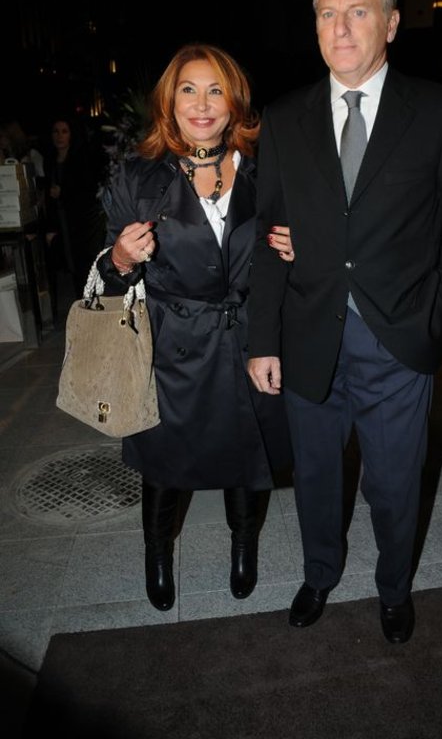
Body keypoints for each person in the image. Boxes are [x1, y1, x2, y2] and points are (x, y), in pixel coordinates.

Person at [247, 0, 442, 643]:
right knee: (317, 478)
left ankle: (393, 588)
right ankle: (319, 574)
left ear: (390, 23)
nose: (341, 28)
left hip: (398, 339)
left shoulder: (440, 114)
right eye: (328, 14)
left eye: (358, 12)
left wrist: (437, 310)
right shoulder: (284, 118)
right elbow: (268, 236)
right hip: (308, 336)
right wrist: (262, 340)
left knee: (394, 482)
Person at [96, 43, 293, 612]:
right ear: (170, 102)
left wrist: (297, 250)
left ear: (235, 103)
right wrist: (122, 259)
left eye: (215, 91)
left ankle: (243, 547)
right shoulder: (139, 177)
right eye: (189, 90)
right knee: (163, 461)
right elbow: (106, 274)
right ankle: (157, 553)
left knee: (247, 454)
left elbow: (288, 252)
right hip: (170, 346)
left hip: (250, 338)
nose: (202, 104)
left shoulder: (266, 171)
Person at [42, 115, 106, 307]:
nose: (59, 136)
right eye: (56, 132)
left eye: (64, 131)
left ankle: (91, 303)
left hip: (83, 221)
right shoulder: (50, 160)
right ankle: (82, 303)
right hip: (63, 220)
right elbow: (49, 196)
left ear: (71, 135)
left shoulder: (81, 157)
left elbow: (88, 189)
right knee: (70, 265)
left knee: (85, 263)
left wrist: (63, 192)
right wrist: (51, 226)